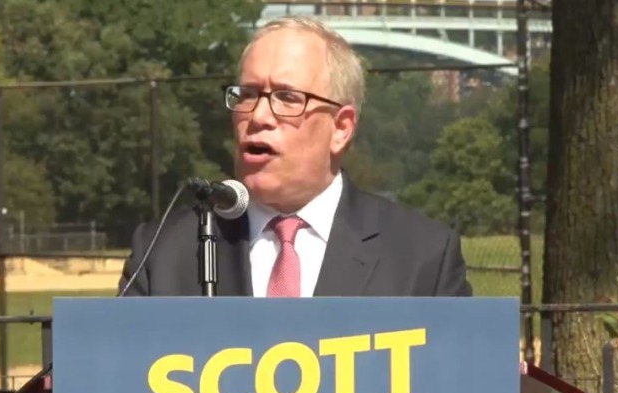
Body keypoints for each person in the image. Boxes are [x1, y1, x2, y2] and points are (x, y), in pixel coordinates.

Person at [118, 16, 473, 298]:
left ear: (341, 128)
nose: (258, 116)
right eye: (248, 94)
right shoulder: (162, 252)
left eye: (287, 98)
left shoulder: (423, 258)